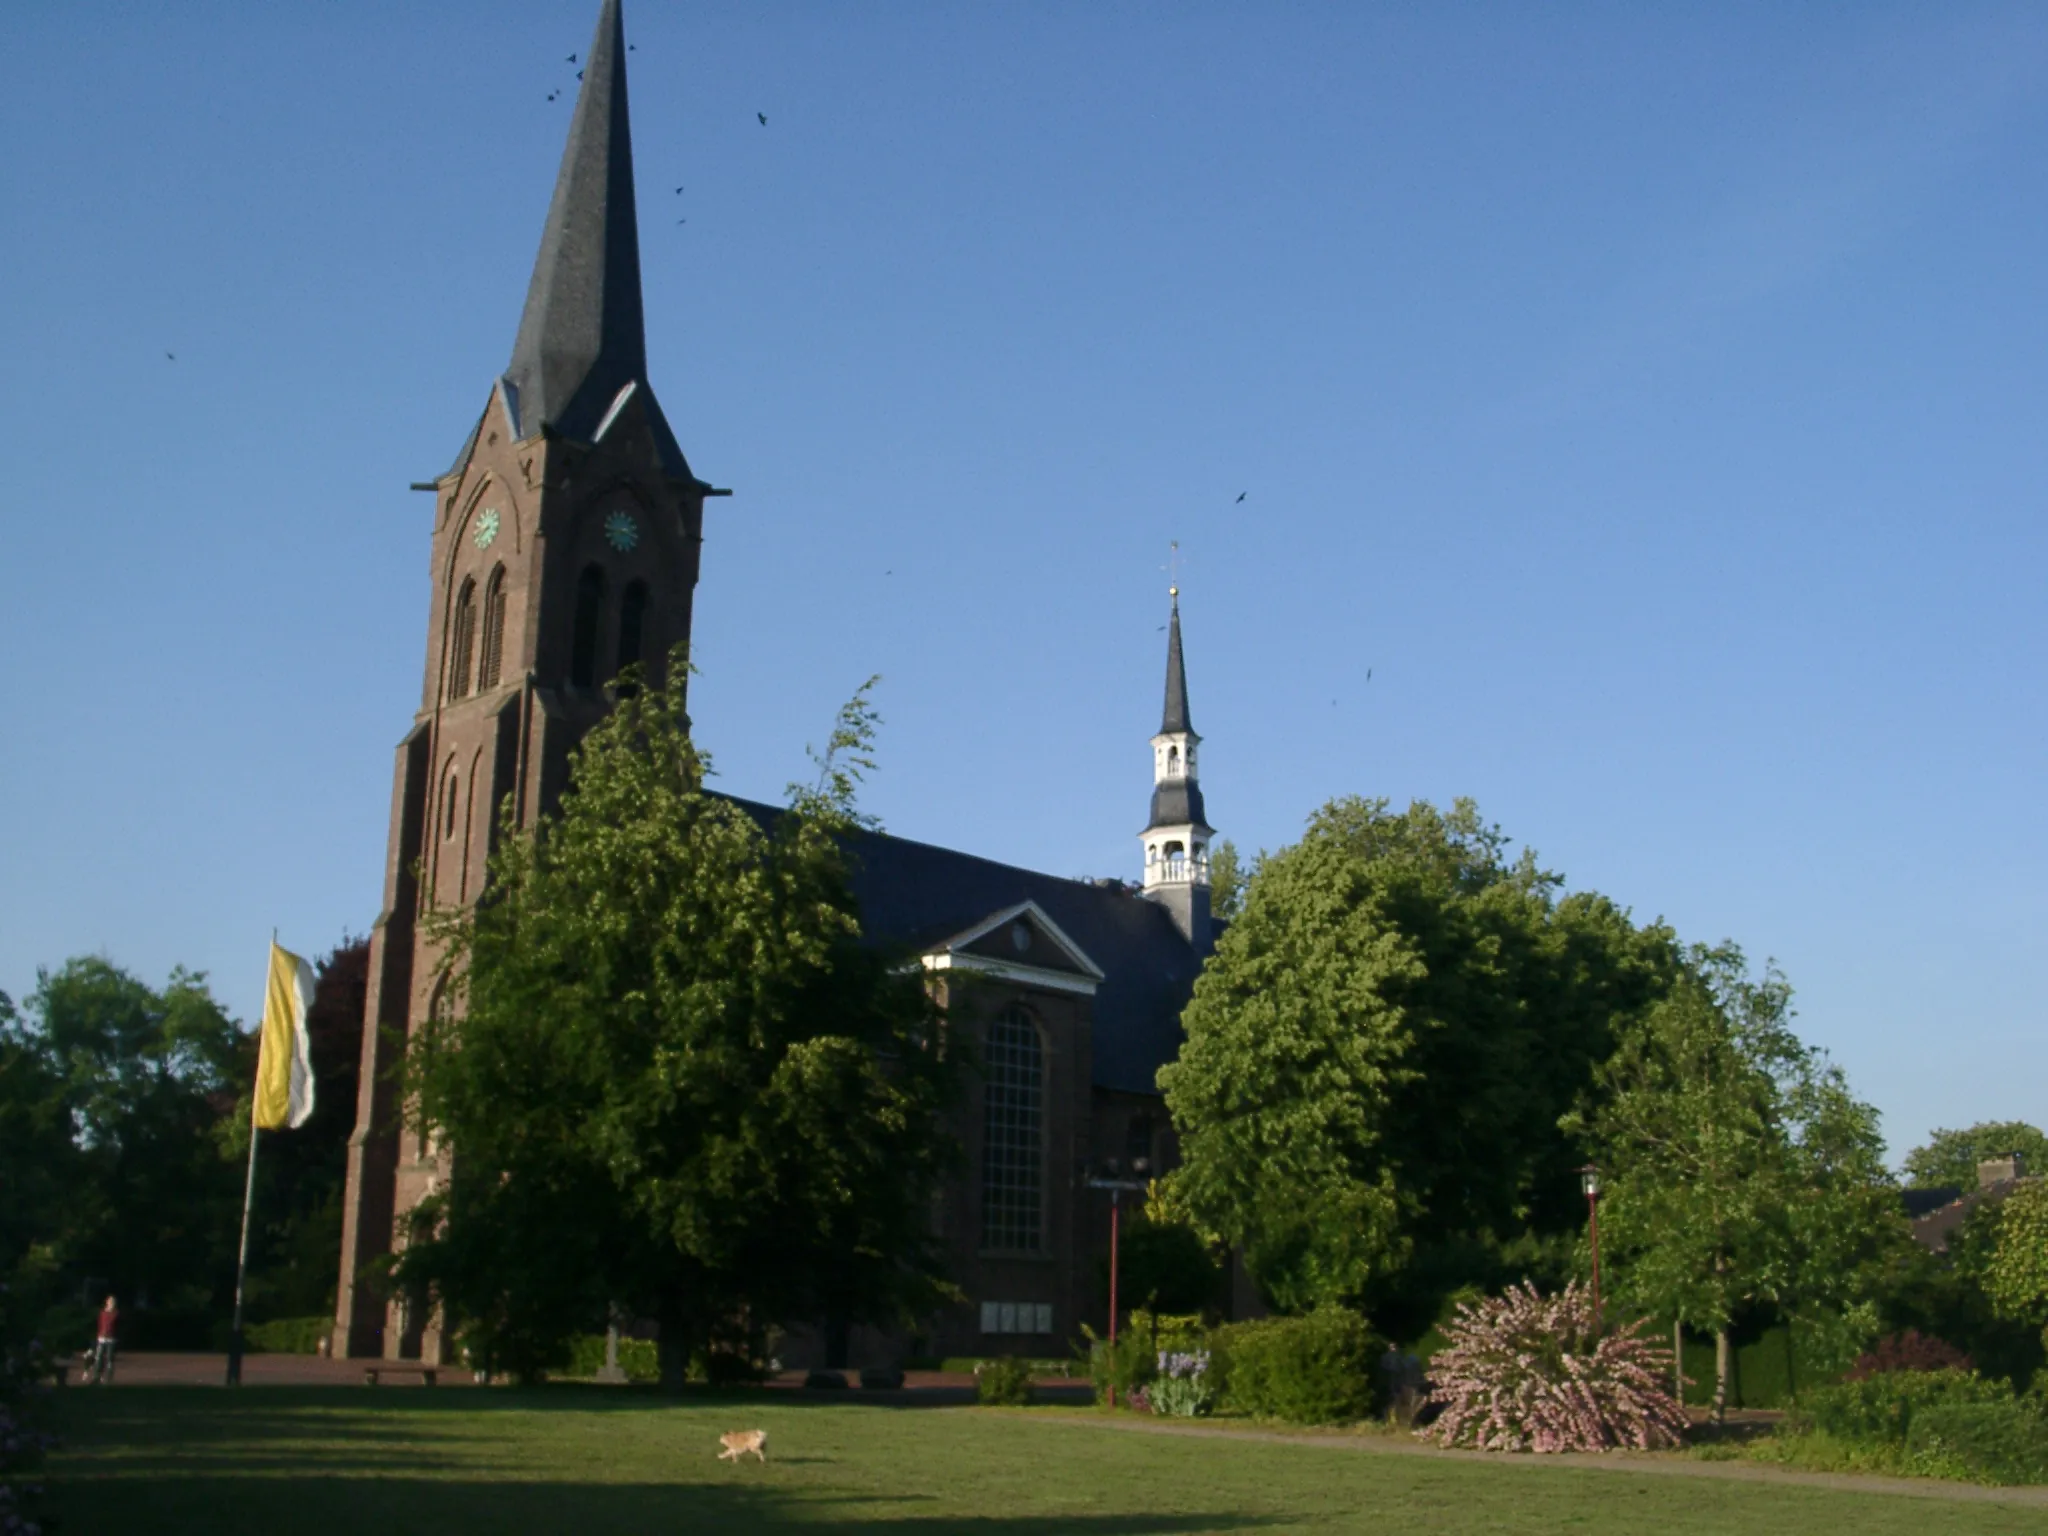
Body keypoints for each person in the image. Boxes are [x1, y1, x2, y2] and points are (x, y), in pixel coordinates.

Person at [90, 1295, 118, 1384]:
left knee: (110, 1359)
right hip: (102, 1338)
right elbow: (99, 1324)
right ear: (107, 1302)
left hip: (111, 1339)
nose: (111, 1304)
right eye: (110, 1302)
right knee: (99, 1358)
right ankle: (96, 1377)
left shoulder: (116, 1313)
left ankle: (108, 1378)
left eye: (113, 1302)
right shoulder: (102, 1313)